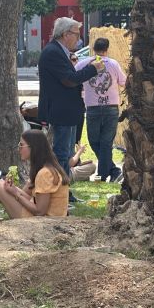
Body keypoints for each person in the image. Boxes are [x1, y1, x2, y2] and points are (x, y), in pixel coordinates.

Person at [37, 17, 104, 183]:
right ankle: (61, 187)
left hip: (68, 111)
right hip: (62, 111)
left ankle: (65, 188)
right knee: (62, 152)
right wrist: (92, 69)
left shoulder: (59, 52)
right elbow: (69, 79)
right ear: (66, 34)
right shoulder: (53, 52)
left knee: (66, 152)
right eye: (76, 34)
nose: (79, 39)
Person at [75, 37, 127, 182]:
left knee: (94, 141)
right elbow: (124, 82)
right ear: (107, 49)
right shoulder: (114, 64)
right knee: (106, 142)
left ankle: (104, 174)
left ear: (93, 48)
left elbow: (73, 78)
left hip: (93, 107)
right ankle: (113, 170)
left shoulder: (83, 64)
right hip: (111, 106)